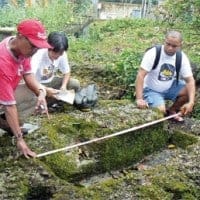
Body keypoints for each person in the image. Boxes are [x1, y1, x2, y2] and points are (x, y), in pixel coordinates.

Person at [0, 19, 51, 158]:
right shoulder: (2, 61)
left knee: (32, 94)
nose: (35, 51)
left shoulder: (23, 51)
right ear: (20, 37)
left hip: (5, 94)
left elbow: (28, 75)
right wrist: (20, 139)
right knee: (10, 108)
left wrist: (40, 91)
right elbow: (9, 106)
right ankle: (10, 125)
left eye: (38, 48)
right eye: (33, 46)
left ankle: (6, 123)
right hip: (3, 98)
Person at [135, 30, 195, 121]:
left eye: (174, 46)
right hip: (151, 89)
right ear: (164, 41)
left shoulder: (181, 57)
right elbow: (140, 75)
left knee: (188, 90)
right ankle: (159, 105)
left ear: (180, 45)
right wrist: (139, 99)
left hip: (169, 87)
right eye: (168, 44)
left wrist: (191, 102)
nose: (170, 48)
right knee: (160, 110)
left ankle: (172, 110)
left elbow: (190, 81)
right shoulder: (153, 53)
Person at [31, 31, 80, 100]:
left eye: (60, 53)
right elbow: (30, 78)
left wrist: (64, 86)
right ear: (49, 48)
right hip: (37, 85)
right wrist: (45, 89)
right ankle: (47, 100)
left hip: (51, 82)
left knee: (75, 84)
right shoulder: (39, 54)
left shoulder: (62, 54)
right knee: (31, 97)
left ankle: (50, 100)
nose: (57, 56)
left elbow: (67, 72)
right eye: (55, 53)